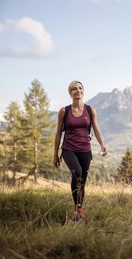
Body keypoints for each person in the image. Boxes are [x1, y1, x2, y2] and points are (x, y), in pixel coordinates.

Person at [54, 80, 107, 221]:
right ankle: (78, 208)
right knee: (77, 173)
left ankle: (79, 209)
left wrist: (102, 144)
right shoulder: (64, 111)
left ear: (83, 91)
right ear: (70, 93)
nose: (78, 90)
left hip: (85, 150)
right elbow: (58, 133)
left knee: (81, 180)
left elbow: (96, 129)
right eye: (74, 89)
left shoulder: (90, 110)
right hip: (68, 148)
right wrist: (55, 154)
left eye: (80, 88)